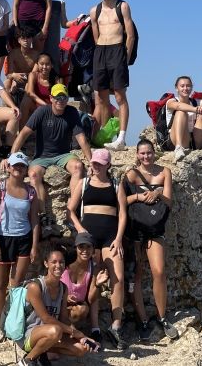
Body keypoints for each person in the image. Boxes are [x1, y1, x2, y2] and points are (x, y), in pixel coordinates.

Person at [67, 148, 128, 350]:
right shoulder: (84, 183)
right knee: (94, 280)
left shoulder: (116, 184)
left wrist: (119, 239)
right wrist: (80, 229)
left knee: (117, 276)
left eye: (100, 163)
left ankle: (116, 325)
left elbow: (122, 214)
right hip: (89, 237)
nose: (95, 166)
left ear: (108, 165)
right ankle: (95, 328)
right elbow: (71, 209)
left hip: (110, 237)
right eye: (94, 163)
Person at [4, 84, 91, 220]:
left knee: (78, 167)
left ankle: (72, 209)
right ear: (51, 98)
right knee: (33, 174)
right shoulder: (42, 112)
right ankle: (43, 215)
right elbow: (23, 134)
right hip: (42, 156)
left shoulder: (72, 112)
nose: (60, 100)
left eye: (63, 97)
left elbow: (82, 139)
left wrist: (91, 162)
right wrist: (11, 157)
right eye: (57, 97)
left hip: (63, 154)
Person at [123, 139, 178, 341]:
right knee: (136, 275)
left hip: (155, 228)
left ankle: (162, 317)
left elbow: (170, 202)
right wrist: (138, 197)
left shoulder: (165, 172)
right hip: (136, 229)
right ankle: (143, 320)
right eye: (142, 153)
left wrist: (158, 192)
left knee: (159, 271)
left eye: (149, 153)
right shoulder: (131, 175)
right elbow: (122, 201)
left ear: (154, 153)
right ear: (137, 155)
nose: (146, 156)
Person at [0, 152, 40, 343]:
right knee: (0, 285)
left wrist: (34, 245)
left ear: (26, 169)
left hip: (23, 239)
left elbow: (34, 220)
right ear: (8, 167)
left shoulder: (31, 192)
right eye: (15, 165)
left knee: (16, 286)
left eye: (22, 166)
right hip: (2, 238)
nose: (18, 168)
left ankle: (12, 321)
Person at [17, 245, 99, 366]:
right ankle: (28, 360)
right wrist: (75, 333)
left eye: (61, 262)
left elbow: (64, 319)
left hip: (50, 335)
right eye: (53, 262)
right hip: (29, 336)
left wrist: (82, 338)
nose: (58, 265)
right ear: (46, 264)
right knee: (55, 330)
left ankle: (42, 353)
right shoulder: (36, 287)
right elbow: (46, 318)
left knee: (81, 349)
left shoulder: (63, 288)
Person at [90, 0, 135, 151]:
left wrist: (125, 56)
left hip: (118, 50)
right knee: (100, 97)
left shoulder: (122, 6)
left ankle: (121, 137)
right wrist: (100, 52)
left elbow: (129, 34)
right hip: (101, 51)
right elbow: (96, 36)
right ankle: (104, 135)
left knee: (119, 95)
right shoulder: (95, 10)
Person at [60, 232, 109, 330]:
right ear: (76, 248)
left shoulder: (94, 269)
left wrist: (98, 284)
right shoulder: (64, 264)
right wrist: (65, 298)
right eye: (81, 247)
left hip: (75, 309)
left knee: (83, 309)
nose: (85, 250)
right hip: (58, 304)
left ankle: (72, 331)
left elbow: (91, 299)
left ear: (93, 250)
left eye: (88, 247)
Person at [166, 76, 202, 162]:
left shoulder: (195, 101)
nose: (185, 88)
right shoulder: (171, 101)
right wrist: (196, 109)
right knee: (181, 112)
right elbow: (178, 106)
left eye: (188, 86)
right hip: (177, 138)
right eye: (182, 86)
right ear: (176, 88)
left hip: (195, 139)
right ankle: (178, 148)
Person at [19, 53, 61, 129]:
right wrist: (44, 104)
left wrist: (50, 107)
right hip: (37, 106)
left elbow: (60, 96)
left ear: (52, 65)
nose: (44, 67)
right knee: (26, 100)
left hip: (51, 109)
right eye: (42, 64)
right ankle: (22, 132)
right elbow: (30, 92)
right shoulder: (33, 75)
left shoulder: (56, 79)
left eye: (47, 64)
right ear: (37, 64)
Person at [4, 27, 40, 105]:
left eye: (28, 37)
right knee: (6, 83)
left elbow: (34, 73)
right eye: (23, 38)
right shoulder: (13, 54)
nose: (26, 40)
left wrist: (24, 77)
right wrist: (14, 75)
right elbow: (9, 74)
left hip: (30, 79)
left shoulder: (37, 54)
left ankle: (24, 109)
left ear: (31, 39)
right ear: (19, 40)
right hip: (16, 79)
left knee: (28, 86)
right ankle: (11, 108)